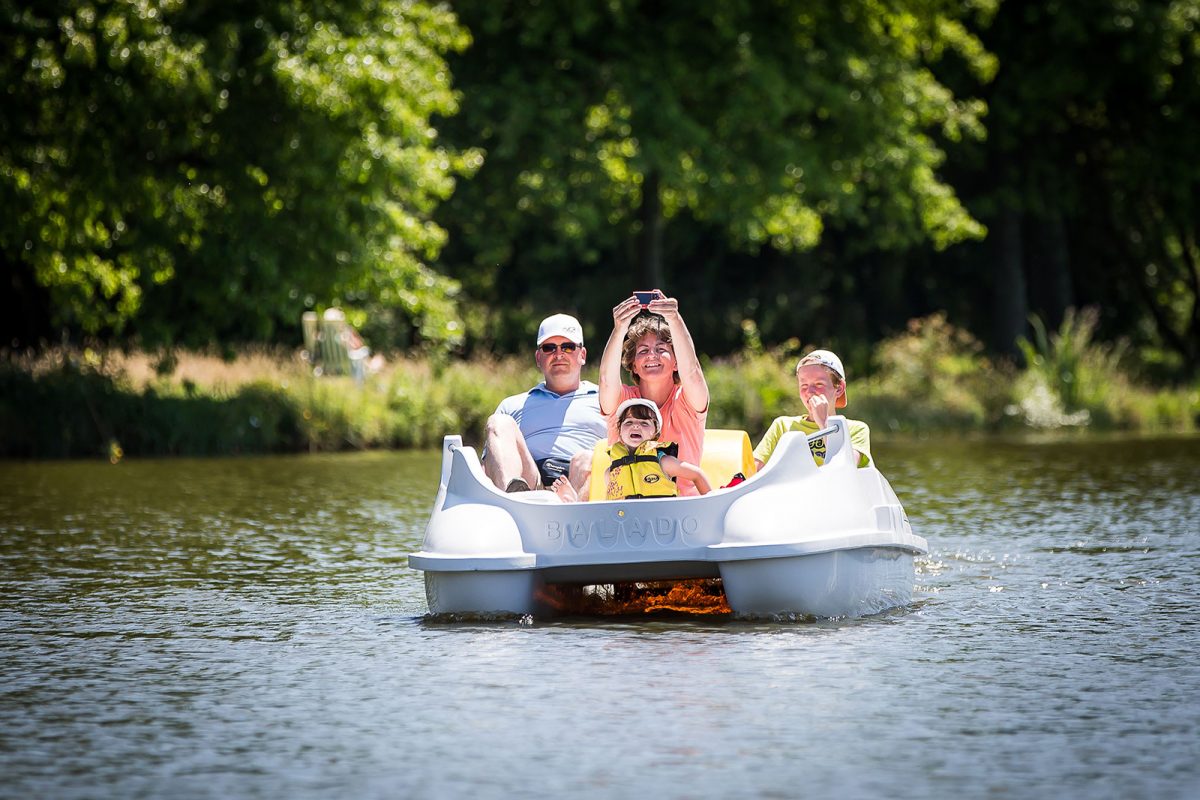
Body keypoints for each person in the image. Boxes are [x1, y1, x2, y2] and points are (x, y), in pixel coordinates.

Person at [599, 291, 709, 496]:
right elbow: (606, 380)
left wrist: (674, 320)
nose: (652, 355)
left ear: (676, 363)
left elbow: (693, 373)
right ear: (634, 366)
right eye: (643, 351)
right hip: (629, 514)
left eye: (661, 349)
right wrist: (619, 329)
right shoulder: (623, 403)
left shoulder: (685, 402)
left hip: (682, 512)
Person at [483, 313, 607, 495]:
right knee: (498, 422)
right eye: (549, 348)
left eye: (568, 347)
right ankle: (511, 499)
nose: (558, 355)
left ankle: (575, 512)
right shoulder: (513, 405)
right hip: (532, 484)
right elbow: (487, 467)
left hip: (582, 486)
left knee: (586, 459)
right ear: (538, 358)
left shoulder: (605, 399)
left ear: (582, 354)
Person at [553, 398, 711, 501]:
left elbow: (697, 475)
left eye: (644, 423)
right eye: (629, 423)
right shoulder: (611, 472)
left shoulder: (663, 462)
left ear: (655, 433)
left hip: (663, 525)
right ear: (620, 433)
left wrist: (711, 505)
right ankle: (573, 503)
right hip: (628, 529)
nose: (636, 426)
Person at [753, 349, 873, 470]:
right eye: (804, 385)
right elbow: (751, 472)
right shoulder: (782, 426)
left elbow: (845, 469)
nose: (809, 392)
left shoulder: (856, 429)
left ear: (839, 388)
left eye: (819, 384)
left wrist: (824, 423)